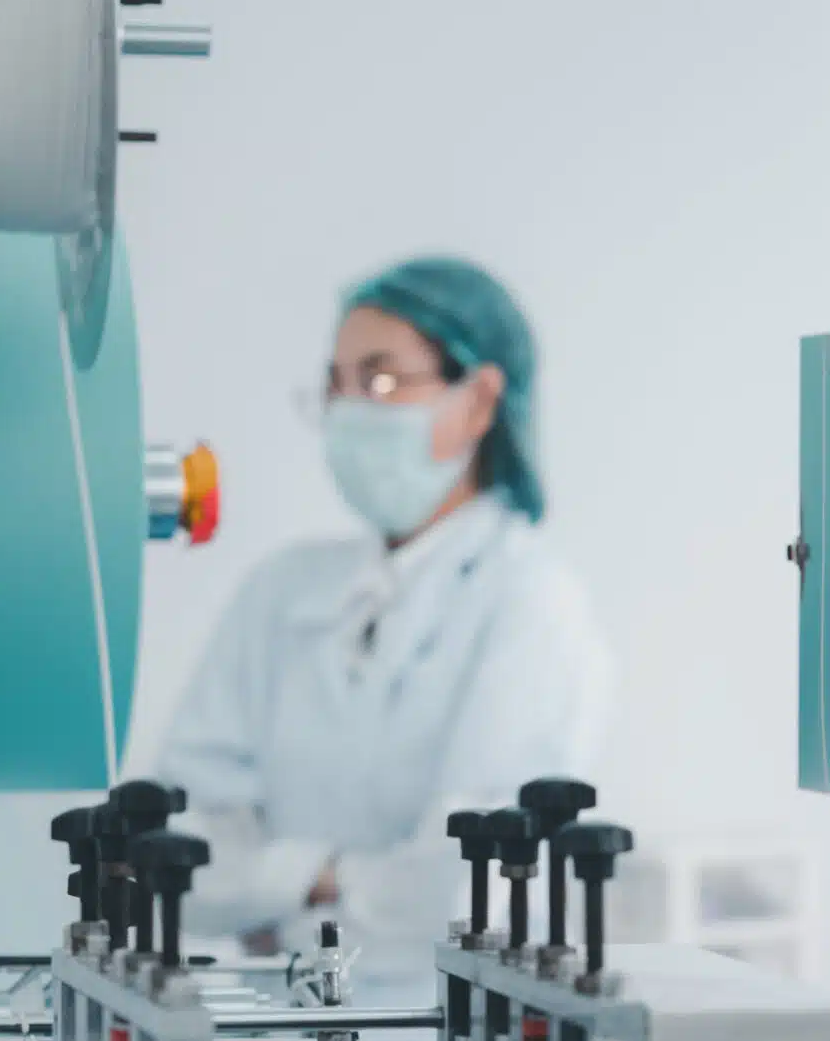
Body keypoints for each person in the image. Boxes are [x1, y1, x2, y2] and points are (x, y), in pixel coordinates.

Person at [158, 256, 611, 997]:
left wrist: (275, 897)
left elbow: (469, 888)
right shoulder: (283, 590)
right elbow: (172, 850)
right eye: (335, 385)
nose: (348, 410)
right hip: (279, 1036)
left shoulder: (531, 602)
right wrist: (322, 879)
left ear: (479, 400)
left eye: (381, 380)